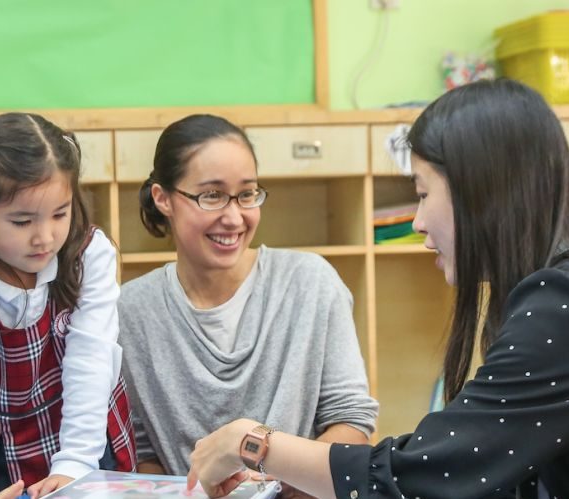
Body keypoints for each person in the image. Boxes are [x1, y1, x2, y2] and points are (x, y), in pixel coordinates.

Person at [187, 79, 569, 499]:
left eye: (424, 195)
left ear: (484, 193)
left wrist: (251, 442)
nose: (420, 222)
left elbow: (426, 477)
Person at [118, 114, 378, 490]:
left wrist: (285, 487)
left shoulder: (310, 282)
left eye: (246, 194)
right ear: (163, 199)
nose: (234, 216)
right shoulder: (132, 309)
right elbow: (142, 452)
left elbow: (351, 421)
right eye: (211, 196)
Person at [0, 112, 136, 499]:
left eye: (60, 213)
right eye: (22, 221)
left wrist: (74, 463)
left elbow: (91, 362)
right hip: (9, 464)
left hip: (88, 445)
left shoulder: (89, 256)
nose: (45, 237)